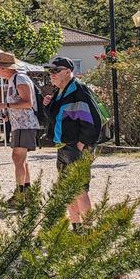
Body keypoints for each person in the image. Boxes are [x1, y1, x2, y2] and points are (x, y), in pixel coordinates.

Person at [43, 57, 102, 230]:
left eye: (55, 71)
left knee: (80, 189)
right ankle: (76, 226)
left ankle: (89, 229)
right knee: (68, 190)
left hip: (76, 147)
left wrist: (82, 143)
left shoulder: (79, 90)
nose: (51, 75)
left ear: (68, 71)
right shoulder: (60, 91)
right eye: (50, 72)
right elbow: (56, 118)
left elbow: (93, 120)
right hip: (63, 146)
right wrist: (47, 106)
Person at [0, 52, 40, 208]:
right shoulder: (15, 79)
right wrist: (7, 113)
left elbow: (28, 102)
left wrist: (5, 106)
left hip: (24, 125)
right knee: (22, 159)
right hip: (20, 124)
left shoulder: (19, 78)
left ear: (3, 68)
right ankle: (28, 193)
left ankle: (20, 195)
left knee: (18, 158)